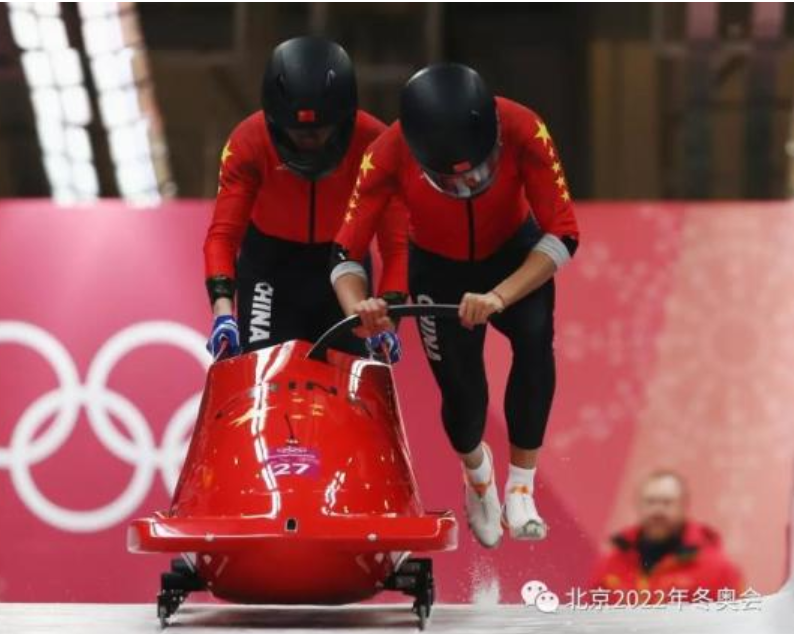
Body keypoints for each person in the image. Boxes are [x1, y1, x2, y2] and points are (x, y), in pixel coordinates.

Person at [329, 63, 580, 548]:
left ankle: (521, 487)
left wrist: (499, 296)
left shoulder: (525, 128)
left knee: (533, 340)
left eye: (481, 173)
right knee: (464, 399)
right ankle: (478, 474)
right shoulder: (385, 155)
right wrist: (358, 308)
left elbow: (563, 233)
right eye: (451, 180)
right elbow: (345, 250)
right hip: (438, 271)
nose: (467, 187)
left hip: (513, 254)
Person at [203, 36, 404, 361]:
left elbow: (397, 244)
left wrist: (389, 319)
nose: (310, 144)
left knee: (349, 387)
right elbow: (223, 236)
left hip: (343, 270)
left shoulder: (378, 145)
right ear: (274, 122)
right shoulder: (247, 143)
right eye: (297, 135)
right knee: (266, 377)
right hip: (269, 270)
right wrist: (223, 312)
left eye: (321, 132)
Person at [590, 471, 743, 597]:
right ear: (638, 505)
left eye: (667, 502)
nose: (658, 510)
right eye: (650, 502)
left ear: (684, 506)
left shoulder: (718, 569)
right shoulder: (610, 564)